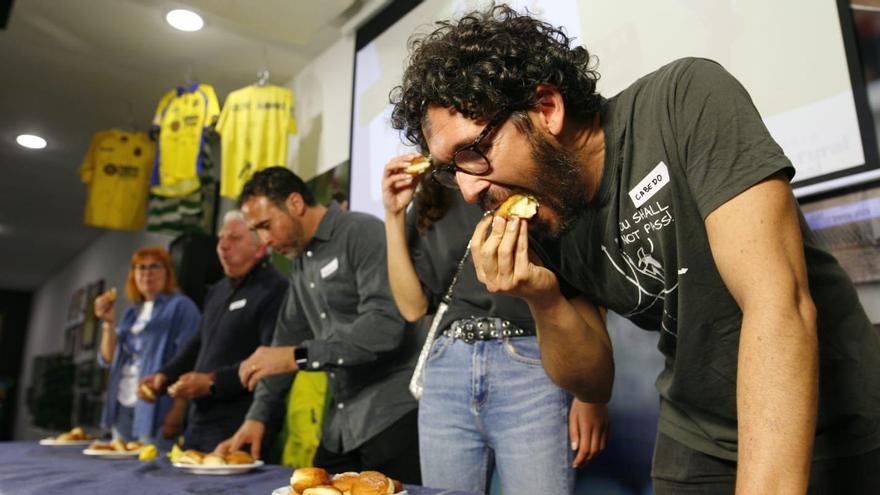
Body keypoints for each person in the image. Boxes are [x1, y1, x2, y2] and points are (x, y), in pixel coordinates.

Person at [389, 5, 880, 494]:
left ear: (546, 109)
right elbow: (592, 383)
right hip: (696, 430)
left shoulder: (684, 100)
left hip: (831, 415)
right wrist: (542, 299)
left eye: (473, 152)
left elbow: (778, 306)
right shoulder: (546, 213)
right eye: (451, 169)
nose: (469, 190)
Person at [382, 158, 610, 493]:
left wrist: (590, 395)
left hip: (533, 363)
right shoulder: (434, 191)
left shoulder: (532, 174)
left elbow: (585, 286)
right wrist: (393, 215)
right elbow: (413, 307)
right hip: (448, 368)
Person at [216, 167, 421, 483]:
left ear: (296, 203)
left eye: (266, 226)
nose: (265, 240)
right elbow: (281, 346)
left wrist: (298, 356)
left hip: (392, 416)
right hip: (343, 423)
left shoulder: (362, 233)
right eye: (257, 230)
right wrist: (256, 418)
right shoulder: (301, 263)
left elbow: (384, 326)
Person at [137, 211, 288, 452]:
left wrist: (213, 383)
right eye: (221, 238)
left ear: (259, 248)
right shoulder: (217, 291)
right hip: (199, 420)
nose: (223, 246)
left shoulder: (275, 289)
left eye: (235, 239)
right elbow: (197, 344)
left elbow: (271, 362)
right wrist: (164, 376)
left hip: (242, 423)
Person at [94, 246, 200, 448]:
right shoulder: (130, 313)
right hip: (121, 405)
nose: (147, 273)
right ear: (133, 275)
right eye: (140, 268)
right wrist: (108, 323)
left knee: (152, 471)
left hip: (157, 409)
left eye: (155, 267)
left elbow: (191, 359)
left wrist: (178, 409)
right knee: (118, 471)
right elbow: (107, 360)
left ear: (167, 272)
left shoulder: (182, 306)